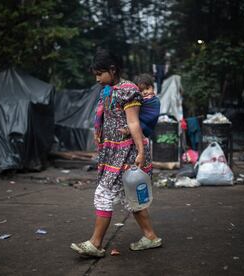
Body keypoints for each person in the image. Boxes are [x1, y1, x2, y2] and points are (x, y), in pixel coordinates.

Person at [70, 49, 162, 258]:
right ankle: (150, 237)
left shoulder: (128, 90)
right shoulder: (108, 90)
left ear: (112, 70)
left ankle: (95, 243)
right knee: (129, 198)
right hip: (112, 152)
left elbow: (133, 122)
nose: (97, 79)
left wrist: (140, 152)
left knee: (103, 193)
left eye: (100, 74)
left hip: (126, 152)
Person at [118, 73, 161, 139]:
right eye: (141, 90)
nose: (145, 92)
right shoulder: (137, 100)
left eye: (147, 88)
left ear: (153, 87)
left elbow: (152, 114)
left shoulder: (154, 101)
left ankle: (129, 130)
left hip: (146, 126)